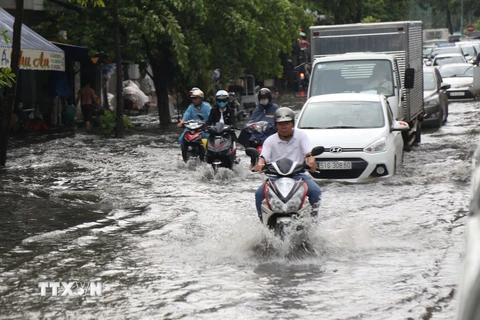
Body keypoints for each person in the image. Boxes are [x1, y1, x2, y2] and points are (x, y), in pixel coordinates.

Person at [253, 107, 321, 220]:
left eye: (287, 123)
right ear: (276, 125)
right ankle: (263, 223)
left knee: (316, 192)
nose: (283, 126)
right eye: (280, 124)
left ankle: (313, 221)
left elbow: (308, 154)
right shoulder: (270, 140)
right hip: (275, 177)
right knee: (259, 195)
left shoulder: (301, 136)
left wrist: (311, 163)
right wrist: (259, 165)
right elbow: (263, 157)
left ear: (293, 123)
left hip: (299, 176)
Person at [238, 88, 279, 166]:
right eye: (262, 99)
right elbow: (252, 120)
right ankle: (253, 163)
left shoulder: (275, 108)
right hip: (256, 138)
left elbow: (277, 123)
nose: (263, 100)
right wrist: (250, 126)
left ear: (269, 99)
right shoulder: (257, 109)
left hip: (270, 137)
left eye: (265, 99)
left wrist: (268, 126)